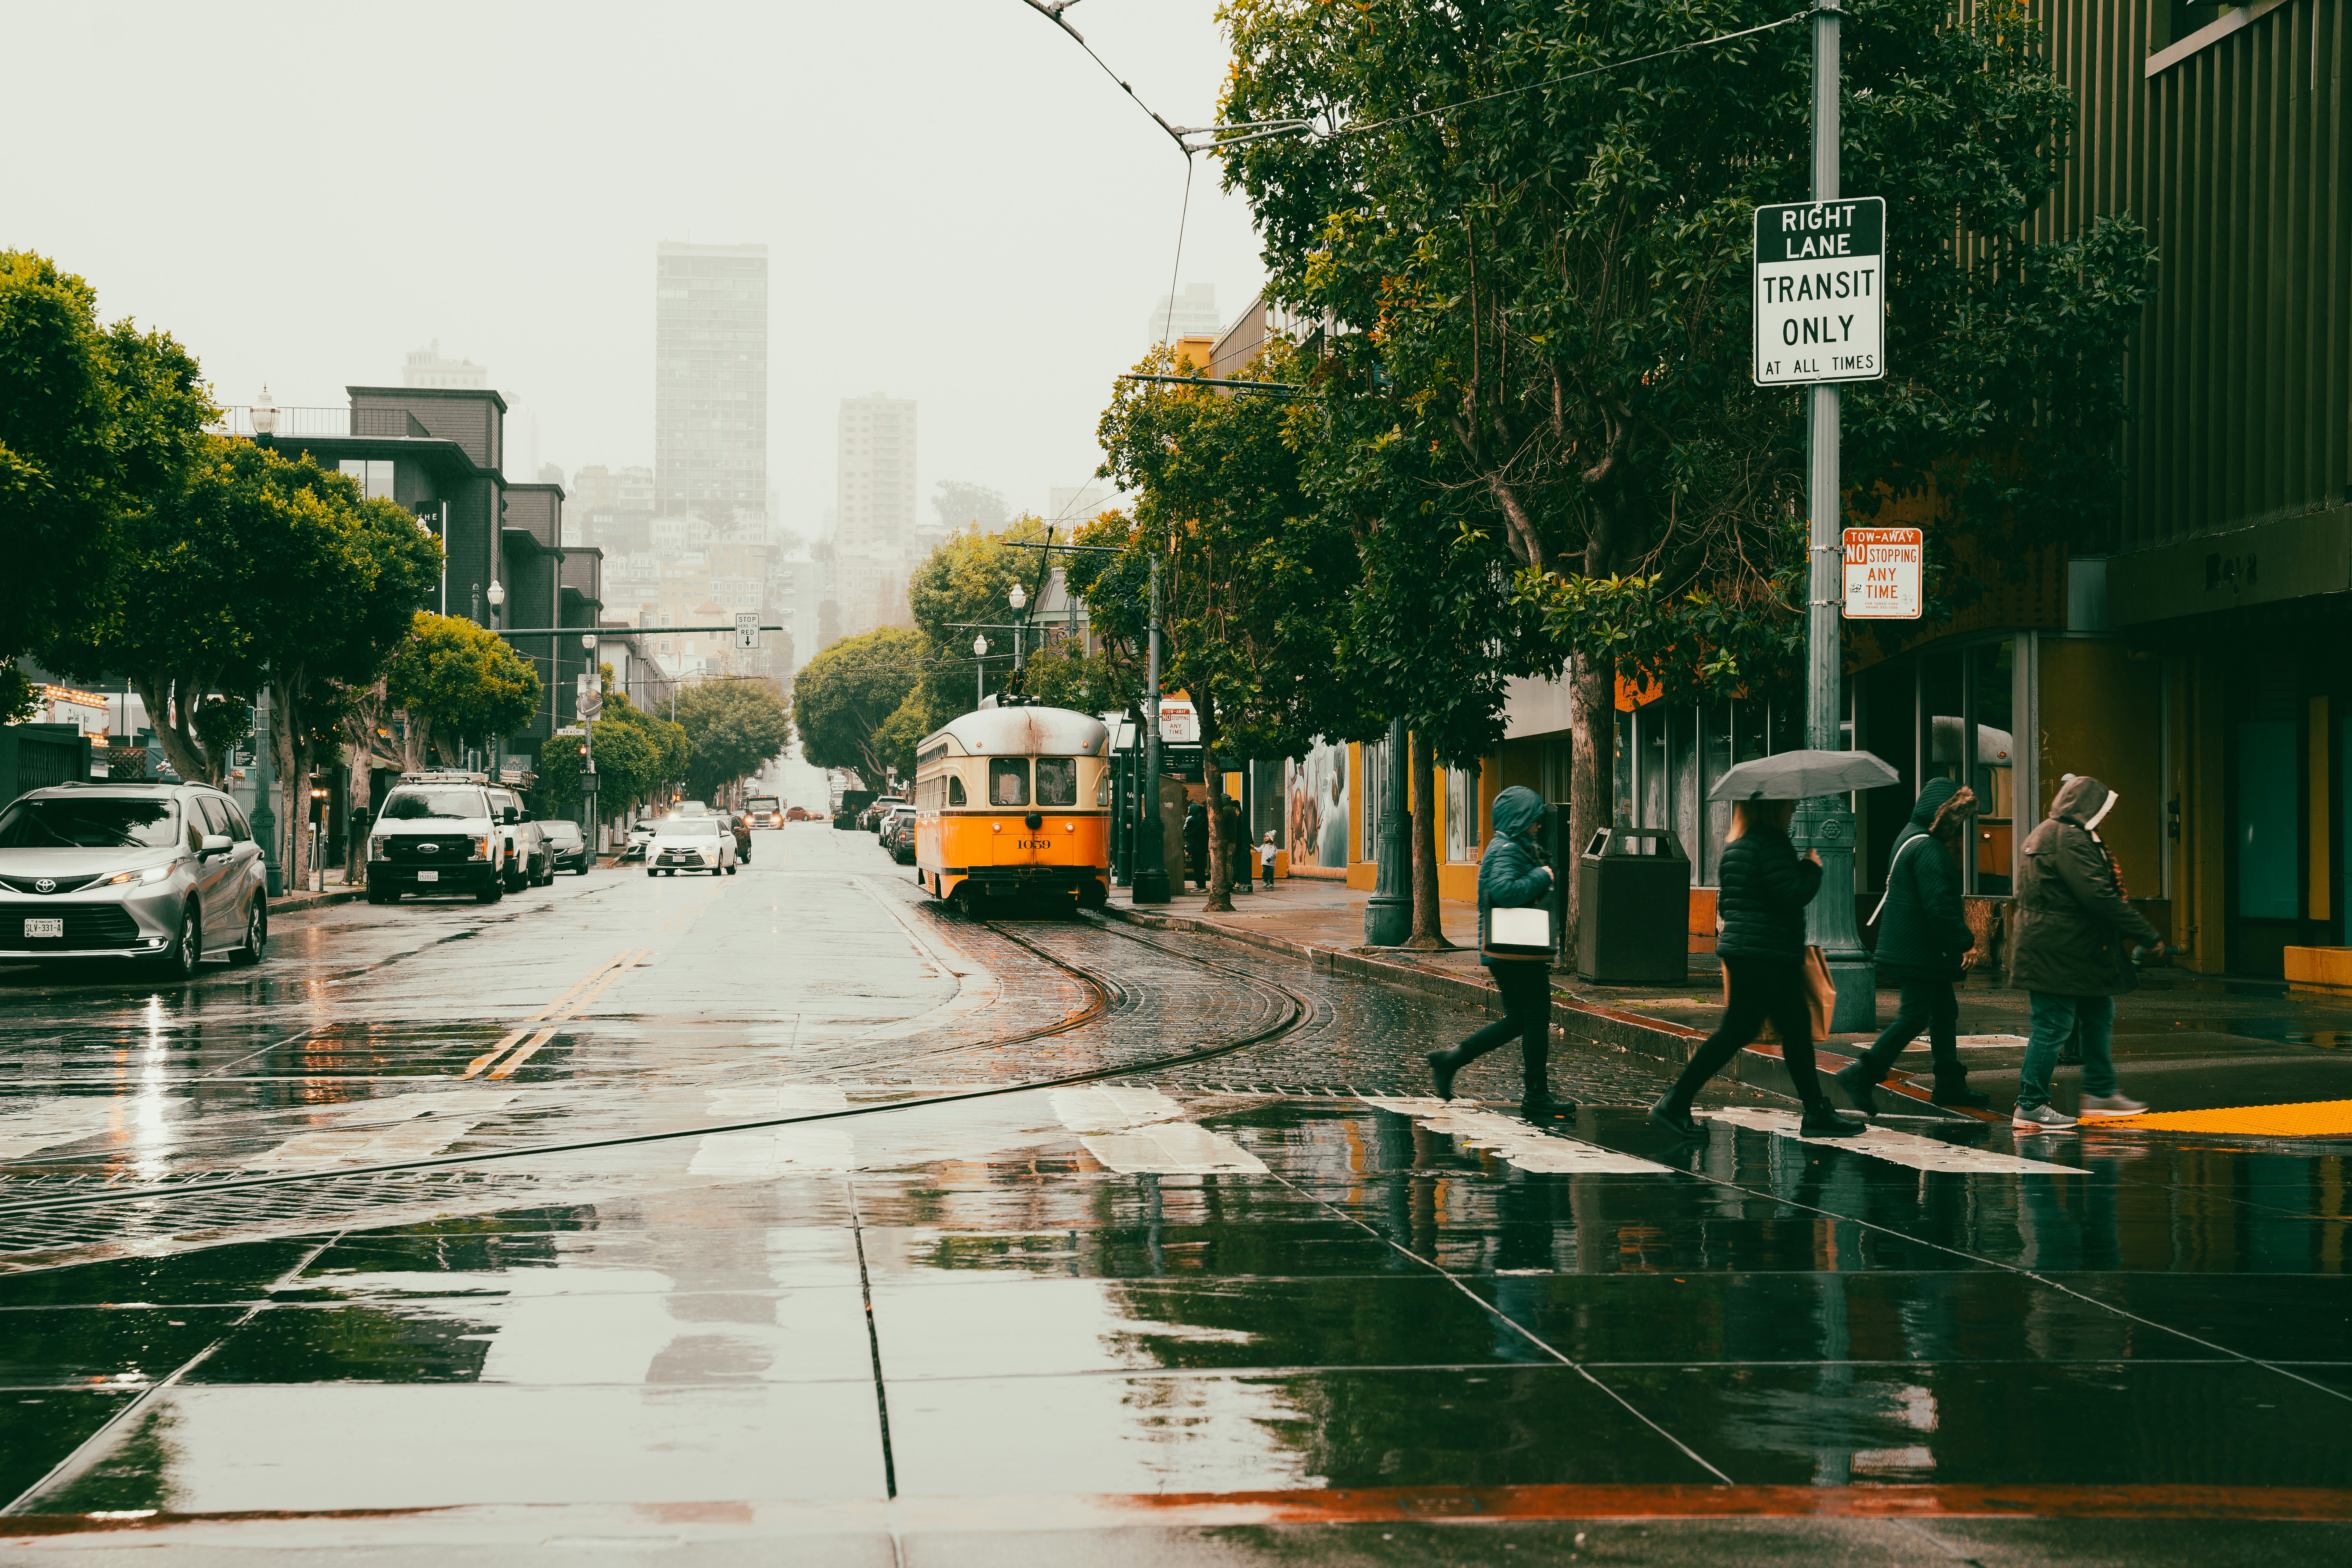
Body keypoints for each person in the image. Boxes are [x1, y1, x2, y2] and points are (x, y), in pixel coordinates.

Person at [1650, 797, 1862, 1138]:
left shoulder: (1738, 845)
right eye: (1789, 805)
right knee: (1743, 1031)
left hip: (1753, 951)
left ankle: (1816, 1111)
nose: (1793, 809)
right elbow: (1791, 894)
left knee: (1791, 1029)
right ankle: (1675, 1102)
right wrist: (1811, 867)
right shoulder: (1772, 843)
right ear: (1772, 808)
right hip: (1767, 954)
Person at [2009, 774, 2165, 1131]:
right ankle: (2032, 1104)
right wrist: (2146, 933)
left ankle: (2100, 1092)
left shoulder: (2048, 832)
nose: (2105, 817)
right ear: (2086, 807)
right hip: (2061, 953)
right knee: (2052, 1025)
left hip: (2065, 950)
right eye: (2102, 809)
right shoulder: (2070, 839)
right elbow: (2099, 896)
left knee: (2098, 1011)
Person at [1835, 780, 1991, 1112]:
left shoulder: (1909, 836)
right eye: (1955, 819)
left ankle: (1950, 1084)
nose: (1958, 828)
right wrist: (1965, 943)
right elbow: (1939, 906)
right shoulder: (1929, 849)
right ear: (1942, 815)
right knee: (1914, 1016)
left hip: (1918, 950)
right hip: (1921, 952)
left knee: (1944, 1013)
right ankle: (1862, 1075)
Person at [1425, 786, 1575, 1120]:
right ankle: (1536, 1094)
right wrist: (1542, 875)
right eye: (1533, 821)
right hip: (1515, 950)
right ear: (1519, 820)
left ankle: (1451, 1060)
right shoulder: (1507, 849)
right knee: (1535, 1017)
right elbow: (1505, 892)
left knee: (1518, 1020)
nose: (1538, 826)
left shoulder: (1510, 846)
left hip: (1510, 950)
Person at [1183, 802, 1209, 890]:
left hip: (1196, 846)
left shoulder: (1190, 819)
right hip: (1199, 846)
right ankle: (1200, 884)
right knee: (1200, 866)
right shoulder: (1200, 819)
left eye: (1189, 809)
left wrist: (1187, 835)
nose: (1188, 810)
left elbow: (1186, 829)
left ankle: (1201, 885)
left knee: (1198, 866)